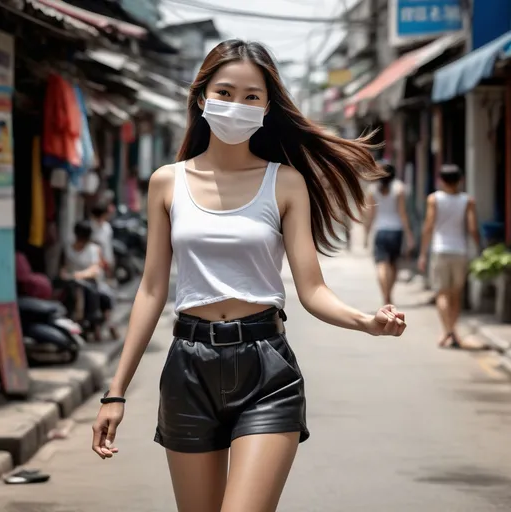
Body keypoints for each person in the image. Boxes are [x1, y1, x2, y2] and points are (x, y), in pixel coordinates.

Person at [91, 40, 407, 512]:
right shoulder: (166, 182)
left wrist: (366, 321)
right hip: (187, 369)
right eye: (225, 92)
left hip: (266, 371)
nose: (236, 105)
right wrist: (115, 393)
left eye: (252, 96)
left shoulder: (286, 182)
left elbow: (313, 289)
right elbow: (152, 290)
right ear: (202, 98)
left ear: (267, 107)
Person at [418, 164, 480, 348]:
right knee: (455, 295)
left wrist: (422, 253)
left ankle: (447, 331)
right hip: (460, 251)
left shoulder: (434, 199)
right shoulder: (467, 200)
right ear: (460, 180)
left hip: (439, 250)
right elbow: (472, 228)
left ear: (441, 180)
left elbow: (428, 226)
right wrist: (478, 248)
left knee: (441, 293)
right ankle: (453, 332)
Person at [364, 160, 415, 305]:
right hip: (396, 230)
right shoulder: (399, 188)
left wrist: (367, 233)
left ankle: (385, 295)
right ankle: (389, 294)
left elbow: (370, 214)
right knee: (393, 265)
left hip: (380, 230)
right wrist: (409, 235)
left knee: (381, 264)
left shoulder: (372, 189)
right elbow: (402, 213)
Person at [61, 221, 117, 341]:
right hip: (72, 284)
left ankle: (107, 325)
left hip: (92, 283)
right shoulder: (68, 249)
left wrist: (79, 275)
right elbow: (63, 269)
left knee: (104, 296)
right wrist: (67, 276)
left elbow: (94, 269)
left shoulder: (93, 249)